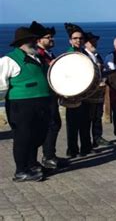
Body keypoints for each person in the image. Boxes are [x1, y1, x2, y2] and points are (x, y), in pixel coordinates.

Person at [0, 27, 51, 182]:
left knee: (38, 135)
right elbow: (1, 85)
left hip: (40, 103)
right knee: (23, 138)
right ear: (22, 43)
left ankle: (31, 164)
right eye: (31, 40)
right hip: (21, 105)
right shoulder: (8, 60)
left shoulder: (36, 58)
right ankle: (21, 171)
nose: (35, 42)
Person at [30, 21, 64, 169]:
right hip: (43, 96)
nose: (52, 39)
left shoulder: (48, 54)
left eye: (52, 37)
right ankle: (47, 157)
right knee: (50, 125)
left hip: (51, 95)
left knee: (54, 124)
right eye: (48, 37)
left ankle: (50, 155)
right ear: (39, 40)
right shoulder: (38, 55)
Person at [64, 23, 92, 157]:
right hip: (73, 93)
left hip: (85, 92)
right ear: (70, 40)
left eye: (80, 38)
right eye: (75, 38)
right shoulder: (69, 54)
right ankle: (73, 149)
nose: (78, 40)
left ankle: (86, 147)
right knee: (73, 124)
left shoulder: (84, 53)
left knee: (85, 122)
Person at [83, 32, 111, 147]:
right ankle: (87, 142)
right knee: (88, 117)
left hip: (99, 90)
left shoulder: (97, 55)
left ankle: (97, 137)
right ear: (86, 43)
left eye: (95, 41)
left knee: (97, 115)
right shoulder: (83, 55)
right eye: (92, 41)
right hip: (89, 91)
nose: (94, 43)